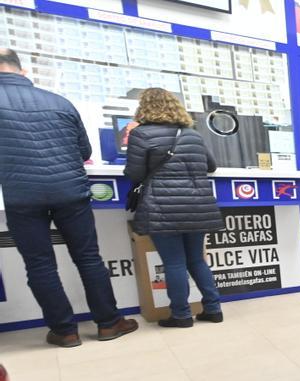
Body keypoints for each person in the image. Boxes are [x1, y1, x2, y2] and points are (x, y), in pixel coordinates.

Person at [0, 48, 138, 347]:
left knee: (39, 265)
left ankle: (64, 331)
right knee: (88, 258)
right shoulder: (59, 101)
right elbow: (84, 152)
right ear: (23, 72)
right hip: (69, 192)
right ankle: (109, 323)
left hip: (20, 197)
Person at [125, 88, 223, 328]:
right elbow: (211, 166)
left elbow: (135, 173)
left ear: (143, 108)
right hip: (198, 205)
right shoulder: (192, 134)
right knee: (197, 260)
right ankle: (213, 309)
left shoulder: (141, 134)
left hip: (162, 206)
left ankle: (180, 315)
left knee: (174, 262)